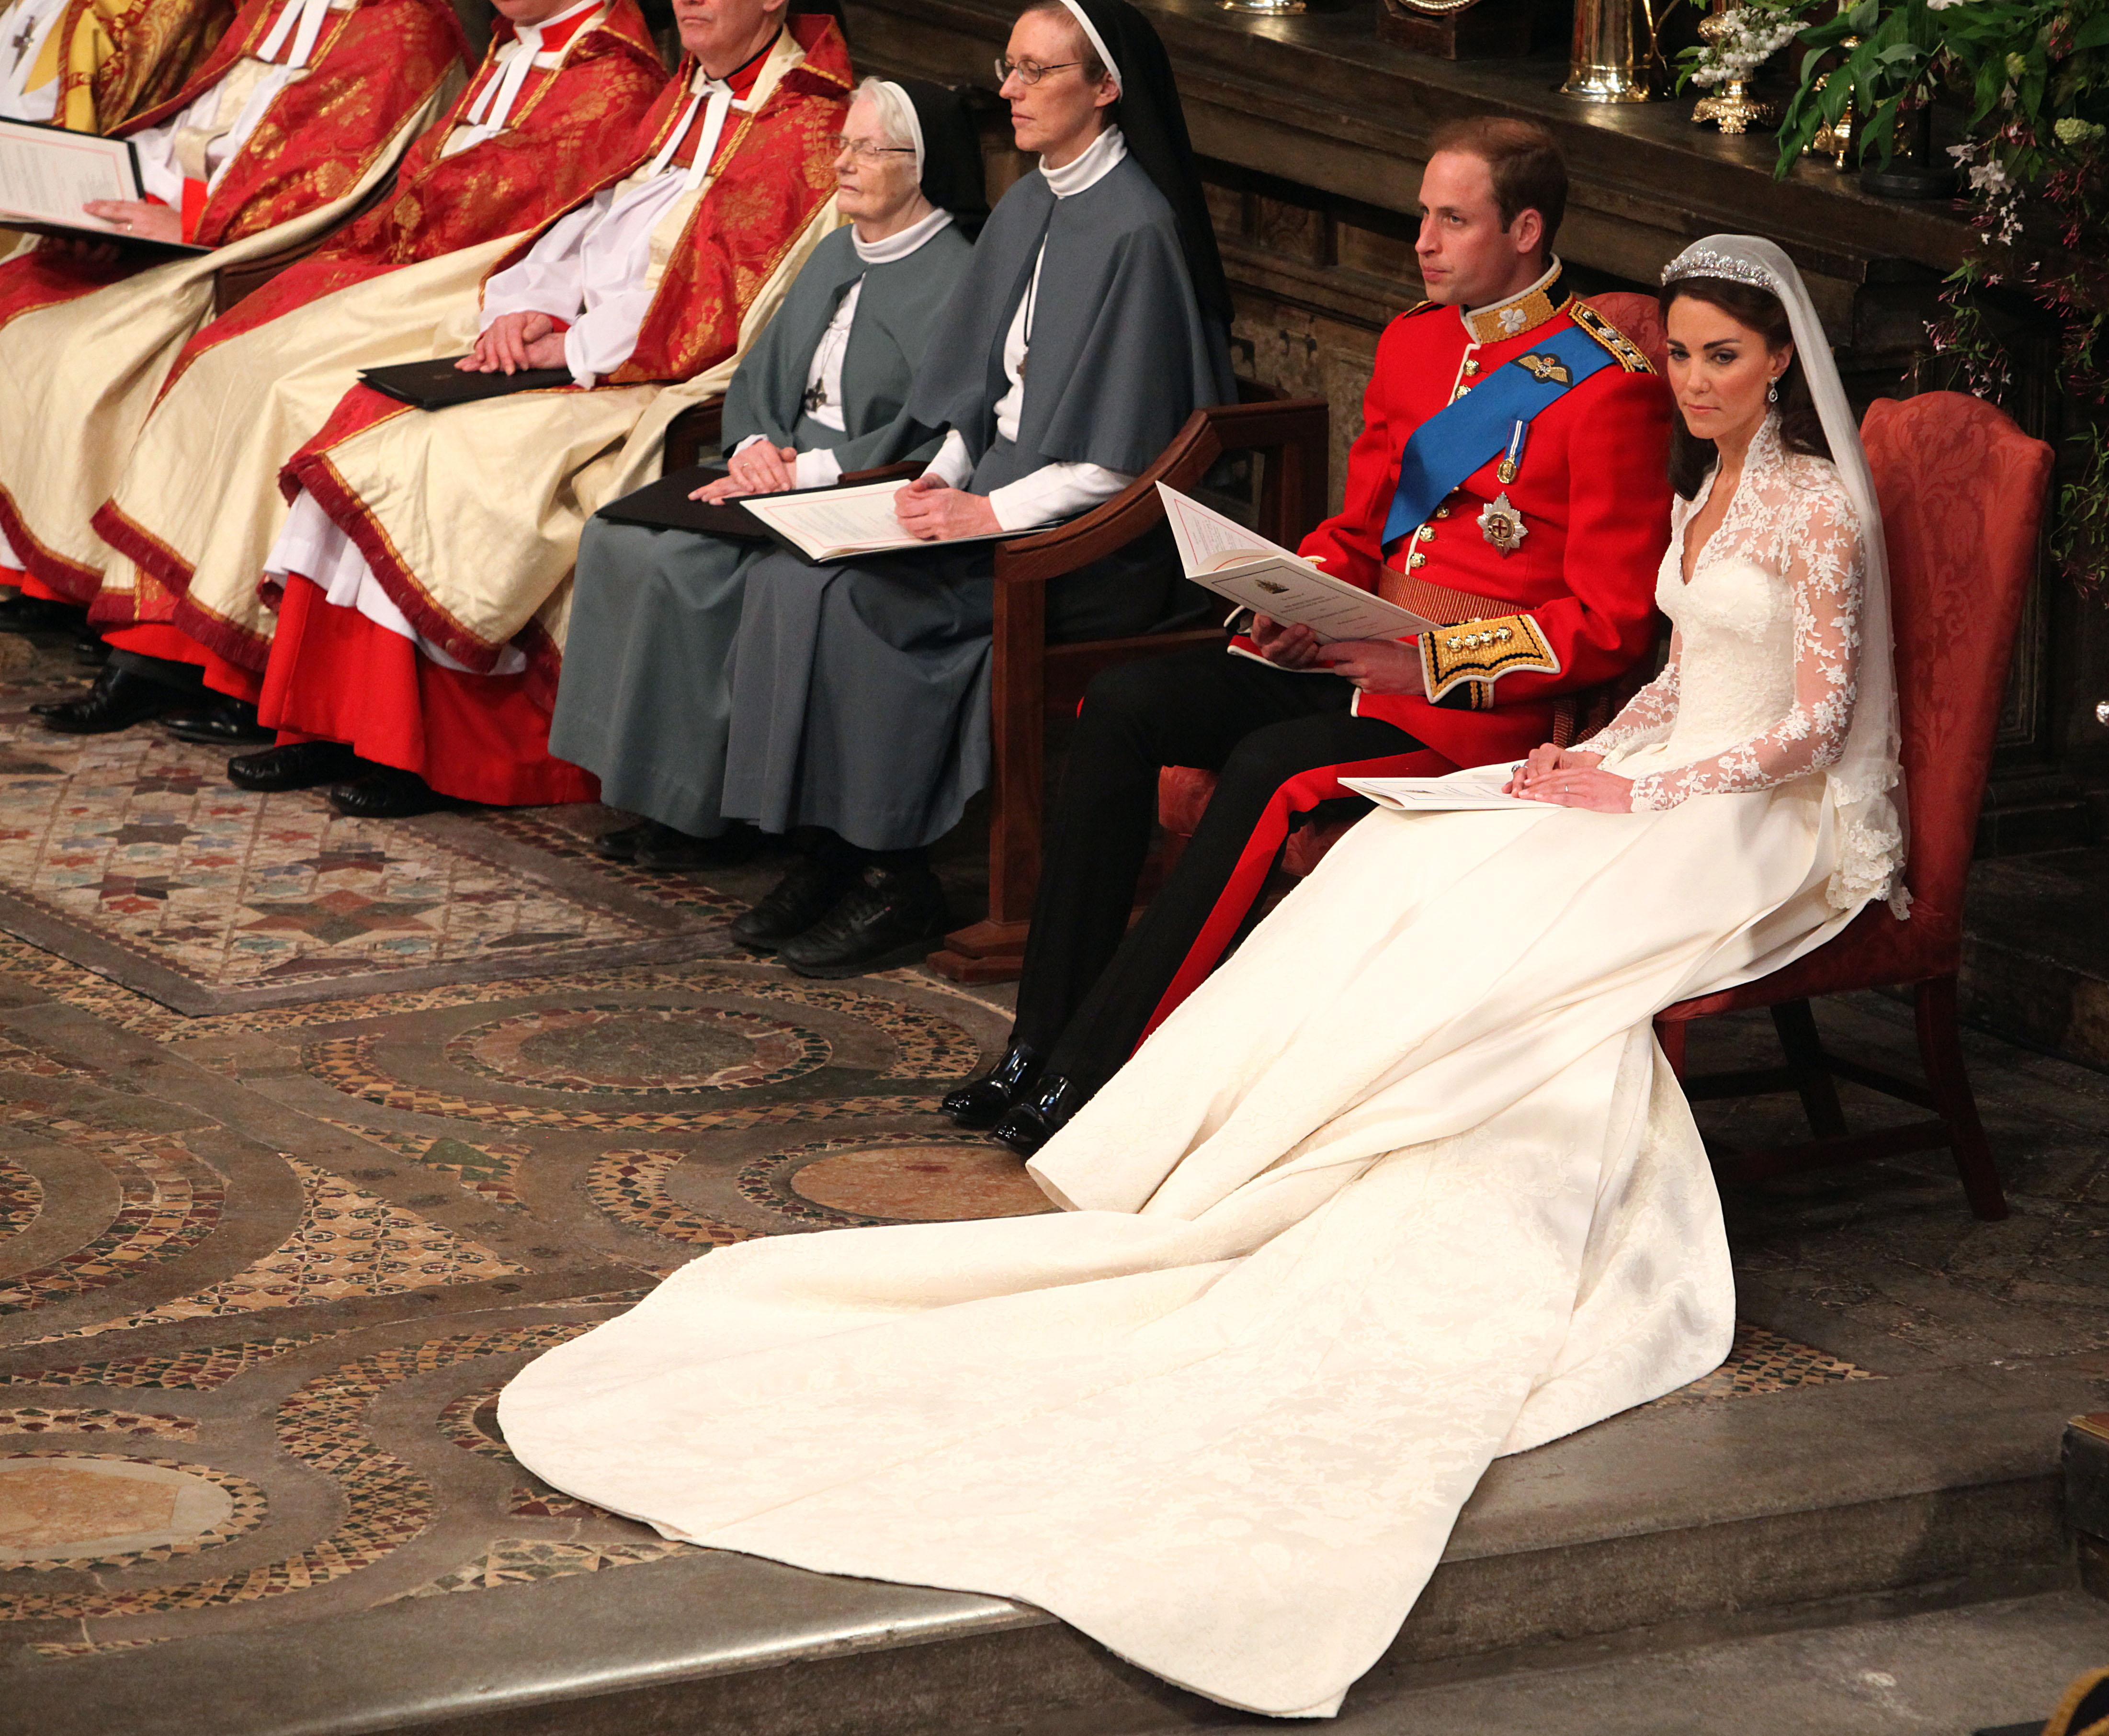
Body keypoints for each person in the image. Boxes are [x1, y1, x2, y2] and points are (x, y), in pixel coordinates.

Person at [497, 234, 1904, 1720]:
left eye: (1719, 358)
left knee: (1438, 888)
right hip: (1624, 759)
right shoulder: (1677, 462)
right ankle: (1165, 1113)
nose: (1689, 381)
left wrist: (1631, 779)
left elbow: (1808, 719)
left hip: (1742, 818)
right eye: (1678, 352)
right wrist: (1599, 754)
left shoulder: (1806, 505)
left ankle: (1255, 1121)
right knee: (1397, 868)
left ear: (1776, 362)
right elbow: (1665, 670)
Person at [944, 115, 1675, 1154]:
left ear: (1525, 229)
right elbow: (1356, 530)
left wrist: (1424, 658)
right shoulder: (1414, 343)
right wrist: (1291, 601)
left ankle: (1095, 1073)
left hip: (1466, 715)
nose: (1421, 239)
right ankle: (1037, 1036)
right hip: (1344, 662)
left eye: (1451, 220)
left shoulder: (1611, 388)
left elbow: (1611, 627)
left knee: (1270, 769)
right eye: (1422, 212)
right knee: (1121, 705)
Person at [219, 0, 852, 818]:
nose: (685, 3)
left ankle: (422, 750)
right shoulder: (688, 92)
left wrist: (577, 347)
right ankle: (325, 724)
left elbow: (728, 299)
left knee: (445, 458)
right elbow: (585, 218)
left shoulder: (804, 124)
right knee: (371, 414)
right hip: (574, 348)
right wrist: (531, 308)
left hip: (647, 376)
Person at [710, 0, 1236, 979]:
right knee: (787, 578)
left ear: (1107, 90)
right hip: (986, 505)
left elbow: (1121, 462)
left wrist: (986, 513)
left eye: (1038, 73)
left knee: (868, 604)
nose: (1009, 91)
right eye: (1012, 66)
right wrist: (937, 479)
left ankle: (898, 876)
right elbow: (978, 399)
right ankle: (828, 846)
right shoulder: (1036, 196)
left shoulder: (1140, 232)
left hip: (1098, 547)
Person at [70, 0, 668, 744]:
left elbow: (537, 217)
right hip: (403, 259)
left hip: (467, 283)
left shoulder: (616, 79)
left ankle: (246, 663)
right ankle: (159, 645)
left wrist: (411, 227)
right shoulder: (514, 47)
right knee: (224, 356)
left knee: (289, 394)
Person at [549, 75, 982, 871]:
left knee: (690, 568)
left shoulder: (956, 275)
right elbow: (757, 376)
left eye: (865, 149)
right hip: (771, 467)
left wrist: (807, 469)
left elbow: (934, 427)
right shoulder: (831, 251)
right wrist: (752, 448)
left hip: (851, 484)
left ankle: (710, 811)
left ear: (919, 165)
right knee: (619, 538)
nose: (843, 165)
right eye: (841, 145)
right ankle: (654, 792)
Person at [0, 0, 470, 651]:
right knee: (19, 305)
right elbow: (196, 123)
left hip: (246, 250)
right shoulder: (274, 7)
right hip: (171, 219)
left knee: (79, 354)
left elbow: (327, 185)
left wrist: (190, 217)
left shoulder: (402, 25)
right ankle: (42, 576)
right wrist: (118, 196)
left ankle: (120, 601)